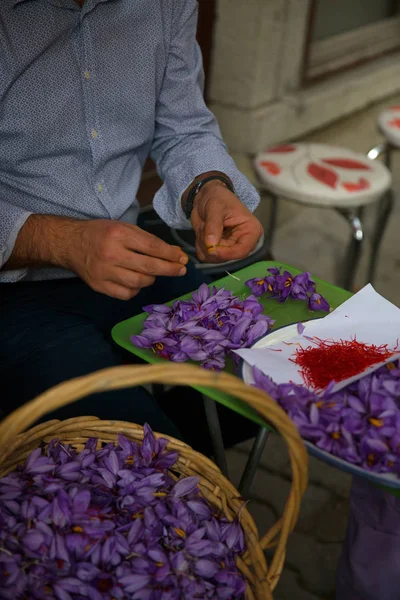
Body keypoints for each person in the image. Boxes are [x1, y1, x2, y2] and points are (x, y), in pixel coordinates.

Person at [0, 0, 263, 437]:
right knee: (134, 455)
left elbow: (184, 127)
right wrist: (59, 241)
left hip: (132, 260)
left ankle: (183, 473)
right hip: (12, 291)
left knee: (256, 390)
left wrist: (208, 187)